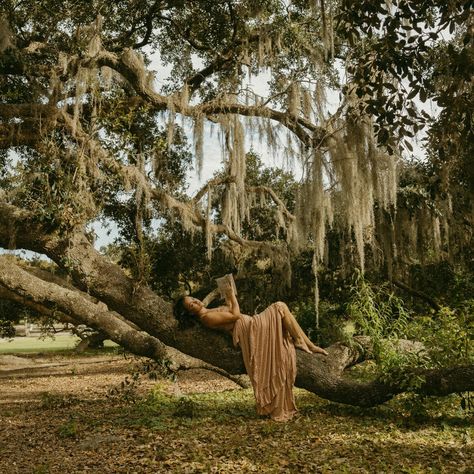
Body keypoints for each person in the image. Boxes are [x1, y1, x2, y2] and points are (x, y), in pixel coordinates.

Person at [175, 287, 328, 421]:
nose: (196, 302)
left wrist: (228, 294)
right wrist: (232, 296)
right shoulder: (206, 318)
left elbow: (230, 309)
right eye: (191, 304)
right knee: (280, 306)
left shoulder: (208, 311)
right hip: (251, 329)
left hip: (251, 324)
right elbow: (235, 315)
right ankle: (302, 341)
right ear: (189, 312)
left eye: (194, 299)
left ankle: (309, 344)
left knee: (282, 309)